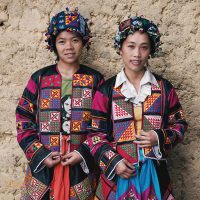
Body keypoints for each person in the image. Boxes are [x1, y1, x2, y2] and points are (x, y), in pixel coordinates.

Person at [81, 16, 188, 199]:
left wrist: (158, 136)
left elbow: (179, 124)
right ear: (120, 48)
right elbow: (94, 135)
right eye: (131, 46)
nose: (137, 54)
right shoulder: (106, 91)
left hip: (155, 175)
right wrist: (114, 162)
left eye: (144, 47)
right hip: (117, 176)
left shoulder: (163, 88)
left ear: (151, 51)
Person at [16, 7, 104, 200]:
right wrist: (40, 153)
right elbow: (23, 119)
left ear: (84, 42)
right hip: (44, 167)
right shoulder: (40, 79)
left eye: (75, 40)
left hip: (80, 168)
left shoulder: (95, 80)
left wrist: (83, 153)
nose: (69, 47)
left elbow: (102, 124)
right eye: (62, 41)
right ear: (53, 44)